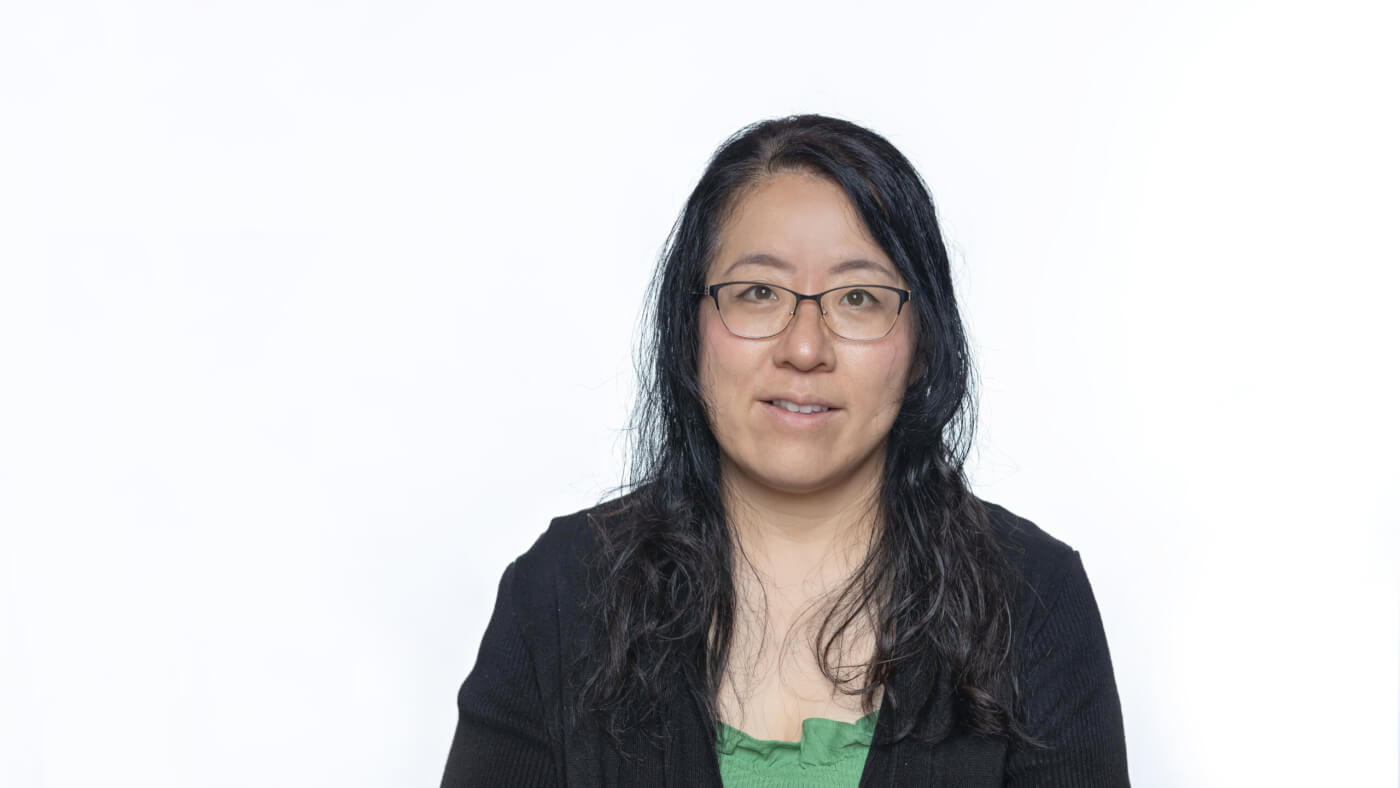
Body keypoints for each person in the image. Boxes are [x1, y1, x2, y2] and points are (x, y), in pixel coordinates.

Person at [440, 114, 1130, 787]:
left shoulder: (1033, 599)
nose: (804, 348)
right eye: (759, 293)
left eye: (858, 298)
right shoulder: (559, 594)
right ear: (689, 328)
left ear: (924, 343)